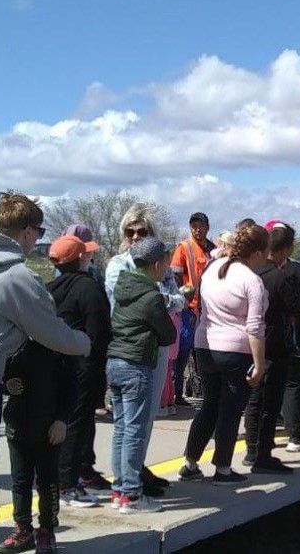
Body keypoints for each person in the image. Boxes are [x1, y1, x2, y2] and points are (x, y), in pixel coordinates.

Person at [0, 192, 90, 554]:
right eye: (38, 232)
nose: (38, 240)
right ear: (24, 232)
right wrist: (87, 342)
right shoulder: (16, 277)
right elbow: (51, 332)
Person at [104, 204, 186, 497]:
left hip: (157, 348)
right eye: (131, 231)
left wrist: (165, 299)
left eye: (142, 232)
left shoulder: (159, 266)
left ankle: (135, 470)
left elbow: (178, 299)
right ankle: (129, 482)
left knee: (147, 415)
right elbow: (125, 301)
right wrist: (163, 300)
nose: (136, 236)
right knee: (130, 422)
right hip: (132, 347)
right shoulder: (118, 265)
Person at [180, 224, 268, 485]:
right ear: (259, 253)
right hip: (234, 350)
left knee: (208, 405)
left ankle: (190, 463)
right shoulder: (251, 280)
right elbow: (255, 327)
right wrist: (260, 364)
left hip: (205, 345)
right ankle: (223, 468)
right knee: (230, 409)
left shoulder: (211, 269)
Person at [46, 235, 112, 507]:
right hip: (84, 364)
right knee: (77, 423)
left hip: (55, 362)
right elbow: (100, 329)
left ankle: (65, 478)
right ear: (79, 258)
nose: (89, 257)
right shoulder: (88, 287)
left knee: (61, 422)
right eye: (85, 253)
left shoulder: (49, 288)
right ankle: (66, 485)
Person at [0, 324, 76, 554]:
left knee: (48, 483)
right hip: (18, 425)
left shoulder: (58, 346)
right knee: (20, 482)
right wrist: (7, 385)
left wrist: (62, 420)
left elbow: (72, 387)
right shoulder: (14, 342)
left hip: (49, 429)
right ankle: (23, 529)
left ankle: (47, 529)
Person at [243, 222, 300, 473]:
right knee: (271, 401)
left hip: (247, 343)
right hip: (274, 342)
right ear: (285, 249)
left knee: (253, 399)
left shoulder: (248, 273)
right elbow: (299, 307)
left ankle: (251, 449)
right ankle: (263, 453)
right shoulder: (277, 277)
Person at [170, 212, 215, 406]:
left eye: (201, 226)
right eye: (194, 226)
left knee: (206, 353)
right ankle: (177, 394)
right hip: (189, 309)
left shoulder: (214, 249)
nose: (198, 229)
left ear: (207, 227)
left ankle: (208, 392)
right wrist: (184, 300)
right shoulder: (184, 247)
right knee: (182, 352)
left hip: (209, 309)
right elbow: (175, 276)